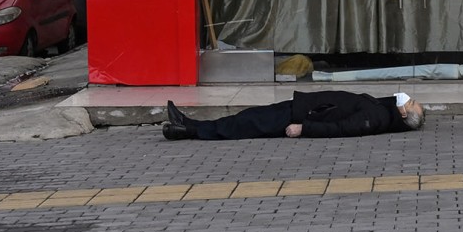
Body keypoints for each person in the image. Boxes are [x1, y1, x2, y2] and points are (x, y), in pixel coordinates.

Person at [161, 91, 425, 140]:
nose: (407, 98)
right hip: (302, 108)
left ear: (404, 114)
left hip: (301, 116)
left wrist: (304, 128)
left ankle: (190, 129)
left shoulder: (377, 118)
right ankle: (187, 127)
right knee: (248, 119)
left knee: (246, 124)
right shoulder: (383, 109)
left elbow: (343, 128)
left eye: (410, 102)